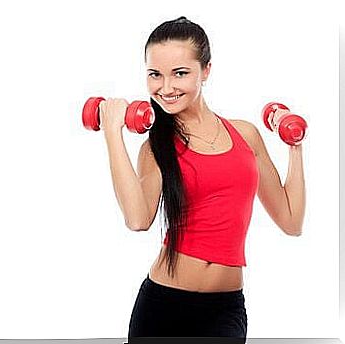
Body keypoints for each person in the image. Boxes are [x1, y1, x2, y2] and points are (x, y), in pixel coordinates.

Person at [98, 16, 306, 342]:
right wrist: (112, 132)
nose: (165, 88)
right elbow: (138, 220)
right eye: (155, 75)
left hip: (225, 309)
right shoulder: (156, 146)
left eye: (179, 73)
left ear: (206, 70)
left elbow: (291, 221)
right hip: (163, 307)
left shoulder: (245, 135)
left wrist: (295, 145)